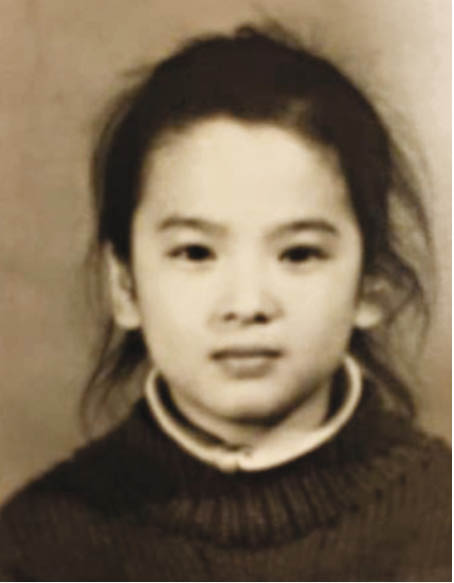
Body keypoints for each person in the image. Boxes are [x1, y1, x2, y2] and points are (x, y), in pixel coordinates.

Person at [0, 23, 450, 581]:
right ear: (126, 287)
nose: (247, 304)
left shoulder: (441, 517)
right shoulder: (36, 547)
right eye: (195, 253)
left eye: (299, 254)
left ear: (370, 285)